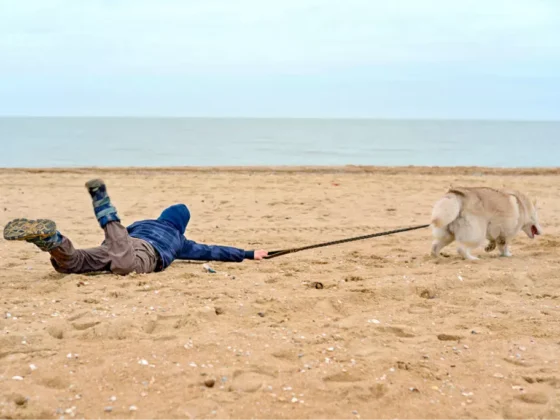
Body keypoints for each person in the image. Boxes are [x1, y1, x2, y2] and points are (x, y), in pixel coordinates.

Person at [3, 179, 268, 275]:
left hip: (117, 246)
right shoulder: (180, 240)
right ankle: (105, 208)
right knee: (125, 264)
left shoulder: (145, 222)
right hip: (140, 254)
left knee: (74, 263)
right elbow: (213, 251)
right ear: (182, 225)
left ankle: (52, 241)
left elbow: (124, 237)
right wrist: (247, 253)